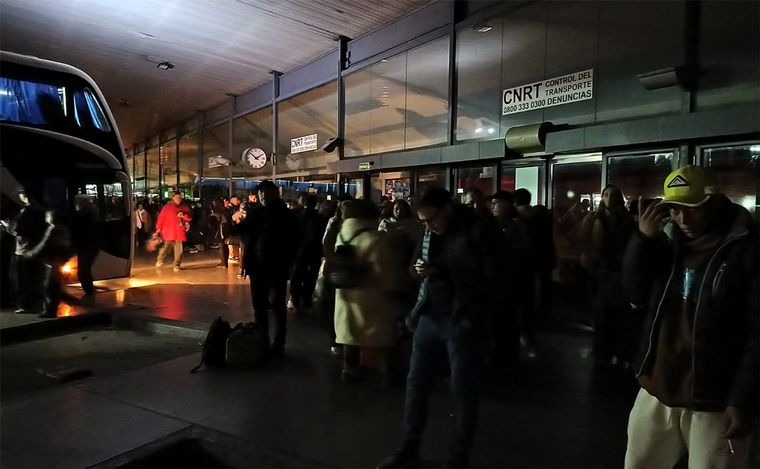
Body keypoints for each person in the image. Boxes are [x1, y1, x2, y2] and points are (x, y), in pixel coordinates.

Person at [622, 165, 758, 469]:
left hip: (715, 396)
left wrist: (742, 399)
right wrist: (642, 241)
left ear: (714, 202)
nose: (681, 218)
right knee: (640, 463)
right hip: (658, 385)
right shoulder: (666, 243)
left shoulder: (745, 248)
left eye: (691, 209)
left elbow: (755, 334)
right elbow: (634, 293)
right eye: (673, 209)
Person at [378, 186, 498, 469]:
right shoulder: (429, 231)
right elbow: (413, 266)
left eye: (432, 219)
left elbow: (492, 277)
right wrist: (418, 269)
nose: (429, 225)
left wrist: (442, 272)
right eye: (423, 221)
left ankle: (459, 457)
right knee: (416, 383)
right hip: (430, 314)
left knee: (462, 389)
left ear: (448, 209)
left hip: (462, 318)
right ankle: (409, 446)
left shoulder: (477, 229)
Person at [333, 199, 406, 385]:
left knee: (350, 333)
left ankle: (350, 369)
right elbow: (386, 271)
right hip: (374, 295)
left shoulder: (343, 235)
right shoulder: (377, 239)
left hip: (347, 294)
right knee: (384, 334)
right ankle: (388, 374)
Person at [232, 180, 300, 356]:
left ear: (274, 193)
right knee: (275, 305)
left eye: (265, 193)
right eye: (261, 193)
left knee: (262, 304)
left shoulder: (261, 214)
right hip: (275, 265)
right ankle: (277, 341)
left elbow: (242, 232)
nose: (262, 196)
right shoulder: (285, 215)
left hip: (262, 265)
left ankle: (264, 339)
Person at [579, 184, 635, 367]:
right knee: (600, 312)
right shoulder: (594, 217)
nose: (609, 198)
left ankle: (615, 349)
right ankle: (603, 348)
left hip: (618, 270)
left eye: (612, 195)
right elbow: (585, 241)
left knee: (617, 313)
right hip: (599, 270)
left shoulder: (626, 219)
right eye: (606, 195)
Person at [490, 190, 531, 370]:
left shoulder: (516, 226)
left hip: (509, 283)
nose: (492, 206)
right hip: (496, 283)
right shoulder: (492, 224)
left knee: (507, 321)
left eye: (496, 203)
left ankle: (507, 357)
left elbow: (520, 255)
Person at [290, 194, 327, 313]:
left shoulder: (297, 216)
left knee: (297, 277)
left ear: (303, 203)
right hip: (314, 252)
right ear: (315, 203)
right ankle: (307, 301)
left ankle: (296, 302)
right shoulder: (320, 217)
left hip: (299, 252)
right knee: (311, 278)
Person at [154, 192, 192, 271]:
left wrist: (184, 216)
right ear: (173, 198)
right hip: (169, 232)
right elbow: (161, 218)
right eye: (177, 197)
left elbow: (189, 218)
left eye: (180, 198)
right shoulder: (167, 207)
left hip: (179, 232)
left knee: (179, 251)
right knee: (165, 248)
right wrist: (158, 229)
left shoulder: (185, 208)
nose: (178, 199)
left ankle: (177, 265)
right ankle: (160, 260)